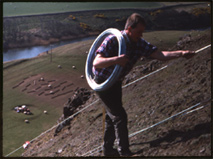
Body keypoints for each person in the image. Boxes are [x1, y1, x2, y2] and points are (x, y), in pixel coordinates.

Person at [92, 13, 195, 156]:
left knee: (112, 116)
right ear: (129, 29)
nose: (141, 35)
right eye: (138, 32)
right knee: (120, 116)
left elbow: (160, 55)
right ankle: (125, 152)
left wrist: (182, 53)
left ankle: (108, 150)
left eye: (142, 32)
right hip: (103, 82)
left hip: (116, 82)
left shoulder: (139, 43)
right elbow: (96, 63)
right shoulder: (112, 40)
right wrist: (116, 60)